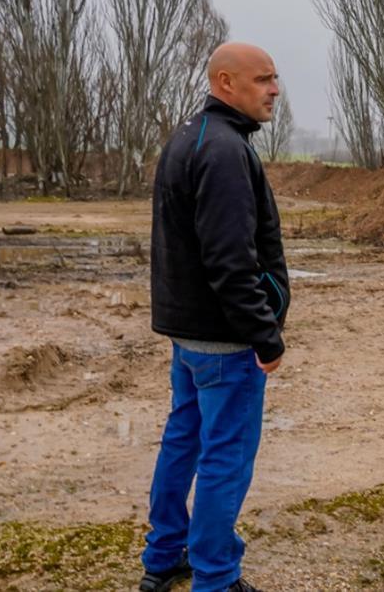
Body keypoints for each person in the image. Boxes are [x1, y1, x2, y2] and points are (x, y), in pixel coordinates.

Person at [139, 42, 289, 592]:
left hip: (190, 333)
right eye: (264, 79)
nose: (275, 89)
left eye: (275, 79)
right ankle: (216, 577)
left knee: (184, 440)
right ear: (226, 83)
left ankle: (162, 559)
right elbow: (231, 260)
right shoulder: (223, 150)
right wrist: (264, 335)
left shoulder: (190, 136)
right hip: (224, 340)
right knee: (225, 456)